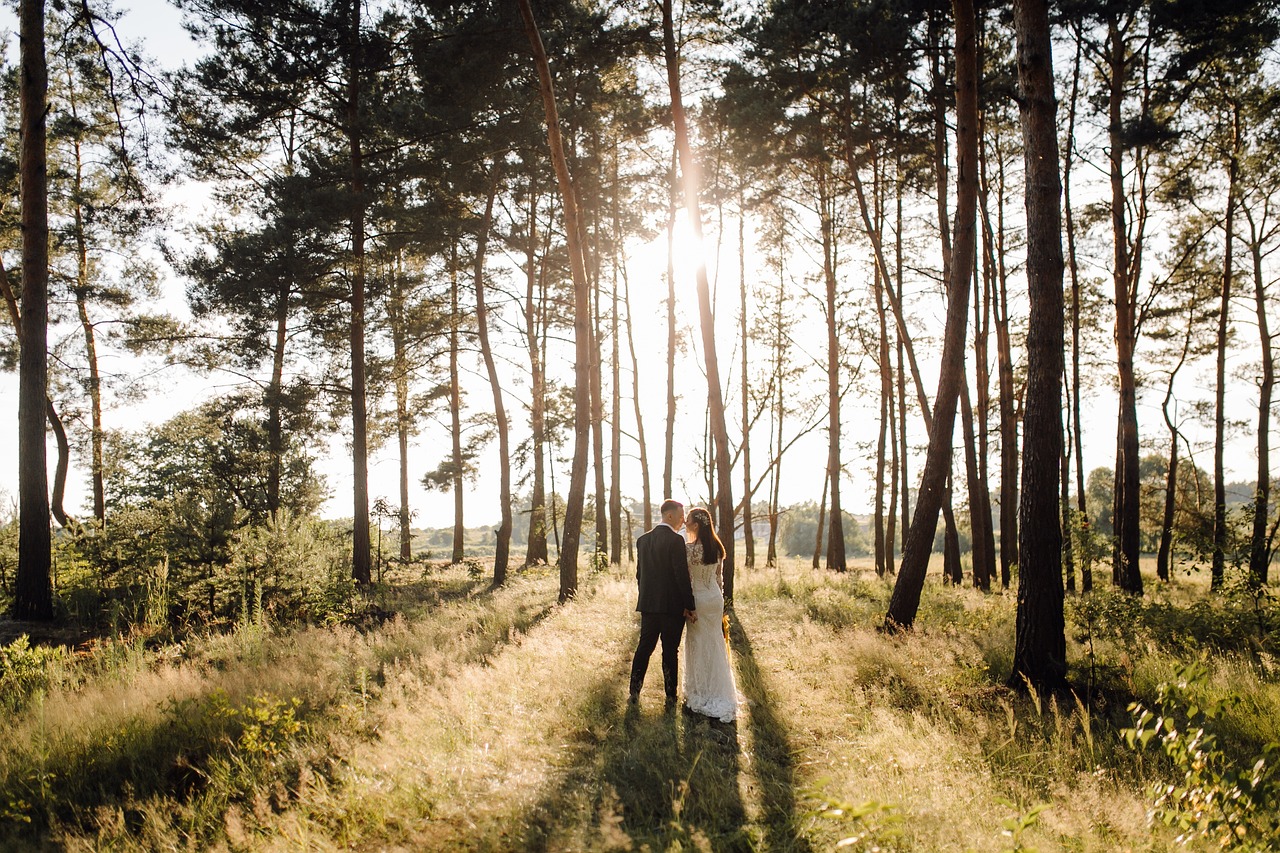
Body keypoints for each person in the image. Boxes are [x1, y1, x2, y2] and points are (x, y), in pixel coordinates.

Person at [629, 499, 697, 705]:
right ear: (669, 516)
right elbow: (681, 576)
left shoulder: (643, 540)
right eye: (681, 514)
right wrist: (690, 605)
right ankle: (670, 696)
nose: (683, 519)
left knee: (644, 648)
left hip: (649, 605)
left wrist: (647, 596)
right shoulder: (676, 541)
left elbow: (640, 575)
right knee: (670, 651)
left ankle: (634, 691)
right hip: (672, 607)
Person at [681, 507, 737, 723]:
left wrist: (687, 604)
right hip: (714, 598)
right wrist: (721, 604)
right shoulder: (716, 547)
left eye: (688, 521)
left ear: (695, 525)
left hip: (699, 600)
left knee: (698, 642)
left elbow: (686, 579)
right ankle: (719, 688)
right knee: (714, 642)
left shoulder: (689, 549)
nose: (685, 523)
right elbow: (719, 578)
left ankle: (702, 691)